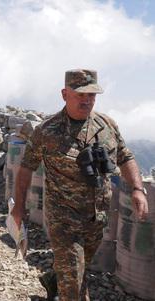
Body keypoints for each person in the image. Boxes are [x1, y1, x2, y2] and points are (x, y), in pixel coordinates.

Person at [11, 69, 149, 301]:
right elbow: (26, 168)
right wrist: (18, 207)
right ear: (65, 94)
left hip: (97, 218)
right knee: (74, 283)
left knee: (77, 270)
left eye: (92, 95)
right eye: (80, 95)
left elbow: (125, 157)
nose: (87, 100)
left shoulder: (107, 125)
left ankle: (56, 281)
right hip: (63, 219)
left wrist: (136, 189)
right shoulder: (47, 131)